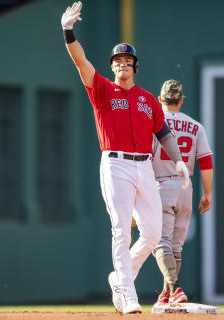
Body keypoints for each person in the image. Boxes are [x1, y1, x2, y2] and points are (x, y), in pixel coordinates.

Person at [60, 2, 190, 314]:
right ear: (113, 66)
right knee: (121, 227)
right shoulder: (102, 89)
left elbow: (164, 134)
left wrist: (179, 160)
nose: (121, 64)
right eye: (117, 60)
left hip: (144, 165)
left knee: (154, 233)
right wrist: (67, 31)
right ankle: (129, 295)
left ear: (135, 66)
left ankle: (121, 277)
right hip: (115, 163)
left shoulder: (147, 98)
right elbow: (81, 63)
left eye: (127, 60)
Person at [151, 80, 214, 306]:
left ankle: (175, 289)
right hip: (186, 187)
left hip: (161, 185)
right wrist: (208, 193)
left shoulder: (154, 123)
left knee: (160, 242)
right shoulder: (196, 126)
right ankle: (167, 294)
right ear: (181, 100)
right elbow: (206, 162)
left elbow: (145, 160)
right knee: (176, 246)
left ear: (160, 99)